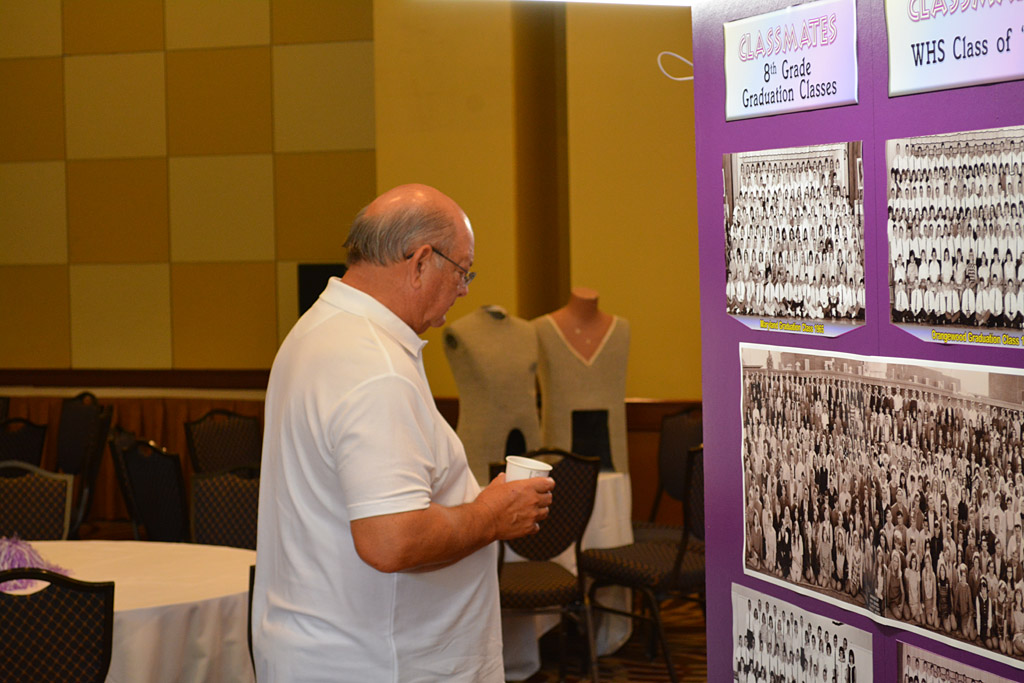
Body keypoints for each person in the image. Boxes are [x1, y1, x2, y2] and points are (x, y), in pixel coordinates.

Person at [252, 184, 555, 681]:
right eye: (462, 270)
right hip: (380, 659)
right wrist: (491, 515)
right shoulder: (376, 367)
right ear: (419, 262)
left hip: (324, 642)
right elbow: (391, 542)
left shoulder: (317, 329)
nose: (466, 289)